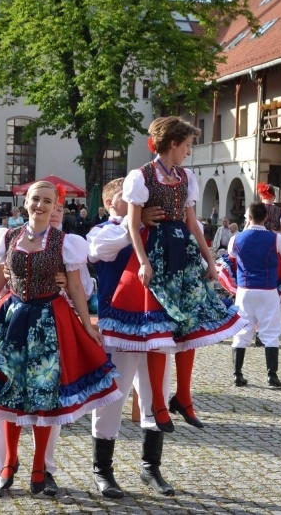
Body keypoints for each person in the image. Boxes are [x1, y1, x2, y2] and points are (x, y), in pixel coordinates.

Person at [0, 181, 121, 495]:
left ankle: (41, 466)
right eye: (35, 199)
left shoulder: (67, 243)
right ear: (25, 201)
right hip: (12, 319)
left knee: (45, 395)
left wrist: (87, 324)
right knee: (9, 391)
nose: (40, 205)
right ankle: (6, 463)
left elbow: (79, 288)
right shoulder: (8, 236)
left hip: (48, 321)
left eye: (47, 201)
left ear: (57, 206)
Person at [101, 116, 243, 432]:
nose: (189, 153)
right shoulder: (140, 177)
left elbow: (193, 223)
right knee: (159, 330)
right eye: (188, 146)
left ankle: (183, 395)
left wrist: (209, 258)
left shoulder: (185, 177)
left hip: (182, 250)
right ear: (174, 143)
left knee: (190, 322)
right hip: (156, 252)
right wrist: (143, 263)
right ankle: (159, 404)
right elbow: (134, 226)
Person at [88, 177, 179, 498]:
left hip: (155, 326)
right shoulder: (103, 231)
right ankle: (103, 470)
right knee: (114, 396)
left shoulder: (151, 230)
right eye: (131, 198)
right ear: (112, 203)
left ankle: (150, 467)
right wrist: (135, 222)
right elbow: (101, 251)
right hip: (119, 327)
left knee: (158, 395)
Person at [229, 202, 281, 388]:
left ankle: (237, 374)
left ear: (248, 217)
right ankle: (272, 376)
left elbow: (232, 254)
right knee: (271, 332)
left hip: (245, 290)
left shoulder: (237, 239)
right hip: (267, 289)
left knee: (242, 331)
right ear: (267, 217)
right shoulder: (274, 238)